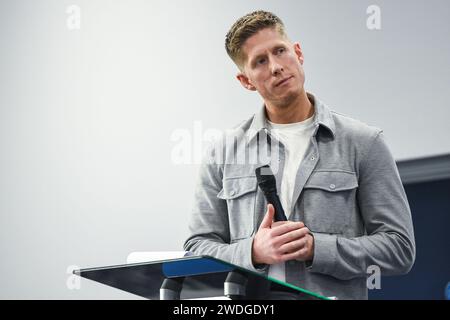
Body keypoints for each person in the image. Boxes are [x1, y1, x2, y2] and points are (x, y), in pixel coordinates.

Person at [183, 10, 415, 300]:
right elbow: (197, 247)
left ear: (298, 52)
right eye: (260, 61)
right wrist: (252, 252)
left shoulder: (364, 142)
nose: (276, 66)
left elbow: (399, 249)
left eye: (280, 51)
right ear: (246, 81)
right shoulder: (224, 152)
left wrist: (317, 248)